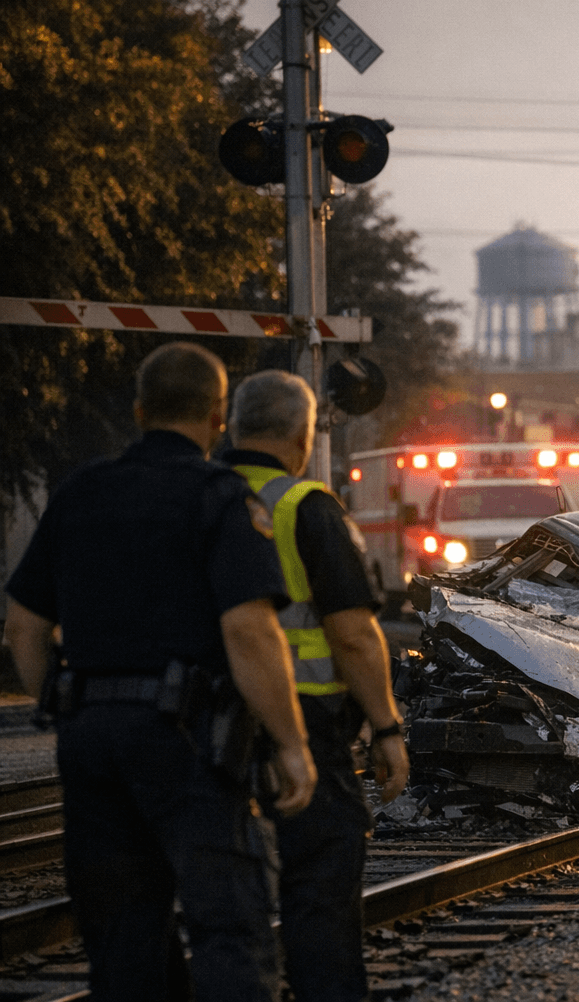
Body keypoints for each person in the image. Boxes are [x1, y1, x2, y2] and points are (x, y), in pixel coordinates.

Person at [3, 342, 316, 1002]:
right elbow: (248, 630)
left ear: (140, 411)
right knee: (228, 925)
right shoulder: (218, 497)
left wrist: (67, 703)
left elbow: (24, 629)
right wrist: (290, 743)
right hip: (188, 740)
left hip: (91, 740)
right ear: (217, 415)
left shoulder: (80, 493)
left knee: (122, 937)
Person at [225, 369, 410, 1002]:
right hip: (307, 724)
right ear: (305, 435)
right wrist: (386, 726)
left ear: (233, 424)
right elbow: (354, 634)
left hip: (199, 725)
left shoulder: (195, 496)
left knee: (221, 898)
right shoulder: (304, 506)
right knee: (319, 890)